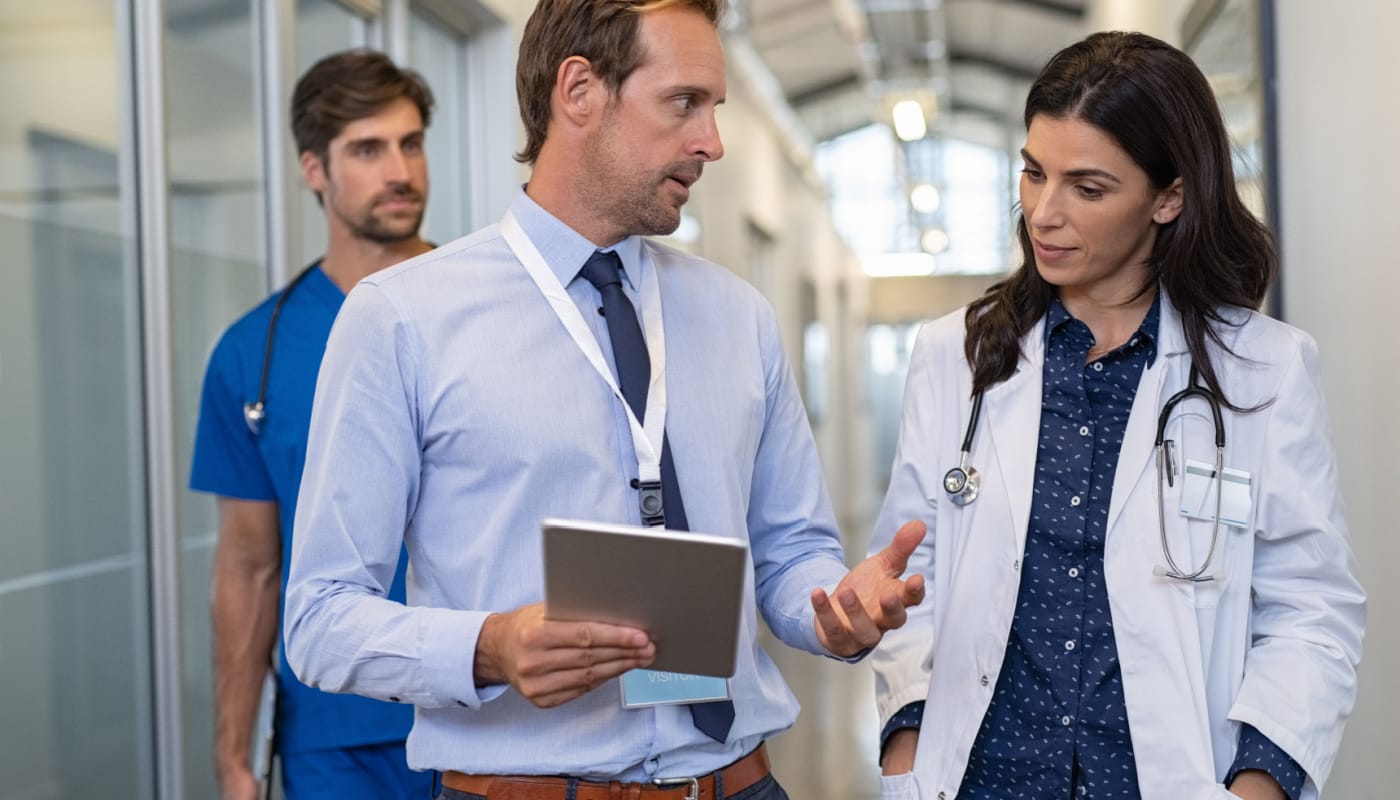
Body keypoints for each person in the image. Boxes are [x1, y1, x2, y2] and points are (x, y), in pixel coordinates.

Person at [282, 0, 927, 797]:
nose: (711, 142)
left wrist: (836, 608)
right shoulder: (402, 319)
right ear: (580, 91)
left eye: (715, 108)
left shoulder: (738, 319)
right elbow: (319, 618)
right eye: (685, 103)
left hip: (735, 783)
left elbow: (792, 552)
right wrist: (488, 645)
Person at [867, 31, 1366, 800]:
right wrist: (906, 748)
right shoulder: (955, 355)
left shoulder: (1265, 371)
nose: (1044, 213)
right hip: (981, 778)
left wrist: (1259, 785)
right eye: (1033, 173)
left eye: (1088, 188)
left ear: (1169, 197)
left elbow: (1312, 611)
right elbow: (910, 576)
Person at [190, 49, 437, 800]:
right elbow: (249, 567)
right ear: (314, 170)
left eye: (411, 142)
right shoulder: (252, 355)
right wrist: (235, 758)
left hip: (495, 713)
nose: (400, 170)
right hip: (333, 738)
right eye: (367, 149)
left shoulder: (491, 312)